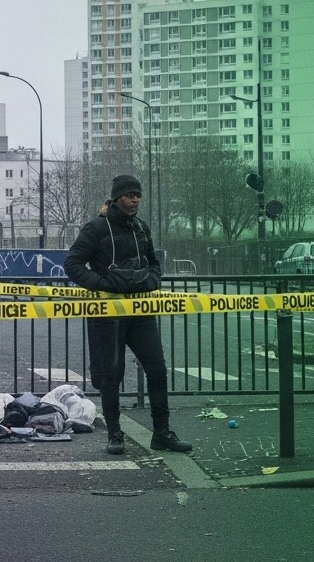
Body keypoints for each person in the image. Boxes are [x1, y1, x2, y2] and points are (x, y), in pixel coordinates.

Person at [65, 174, 192, 456]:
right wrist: (102, 285)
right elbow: (73, 263)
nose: (135, 200)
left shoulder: (141, 229)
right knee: (111, 375)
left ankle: (162, 433)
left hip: (140, 311)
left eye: (138, 195)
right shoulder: (96, 228)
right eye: (130, 195)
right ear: (117, 197)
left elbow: (155, 261)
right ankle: (115, 434)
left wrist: (152, 279)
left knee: (157, 370)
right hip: (108, 313)